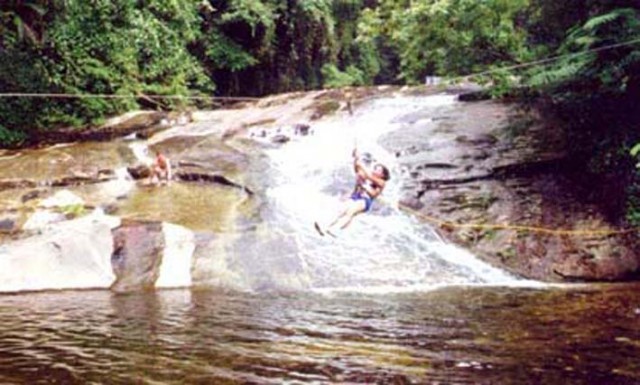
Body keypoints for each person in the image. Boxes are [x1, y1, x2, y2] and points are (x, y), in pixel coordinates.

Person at [316, 149, 390, 236]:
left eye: (378, 170)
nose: (375, 170)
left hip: (365, 200)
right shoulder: (367, 174)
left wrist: (360, 165)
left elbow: (368, 175)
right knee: (341, 210)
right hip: (356, 196)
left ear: (383, 175)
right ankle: (325, 227)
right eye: (375, 168)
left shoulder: (381, 182)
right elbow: (357, 169)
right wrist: (356, 158)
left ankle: (336, 230)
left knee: (350, 211)